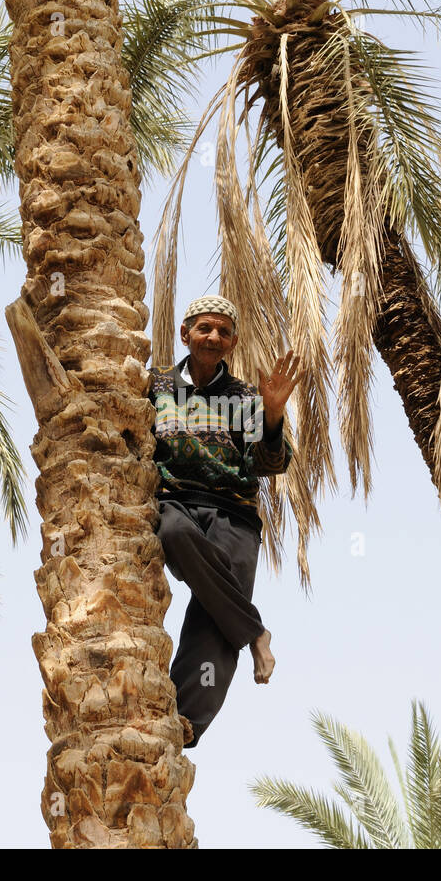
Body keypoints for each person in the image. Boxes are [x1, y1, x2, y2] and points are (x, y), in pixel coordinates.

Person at [149, 295, 301, 748]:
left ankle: (183, 724)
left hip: (234, 511)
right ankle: (254, 630)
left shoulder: (245, 398)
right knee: (173, 532)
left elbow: (271, 464)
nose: (213, 337)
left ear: (231, 343)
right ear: (185, 334)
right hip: (173, 501)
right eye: (204, 329)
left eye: (223, 332)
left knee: (215, 623)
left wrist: (272, 415)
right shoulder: (155, 386)